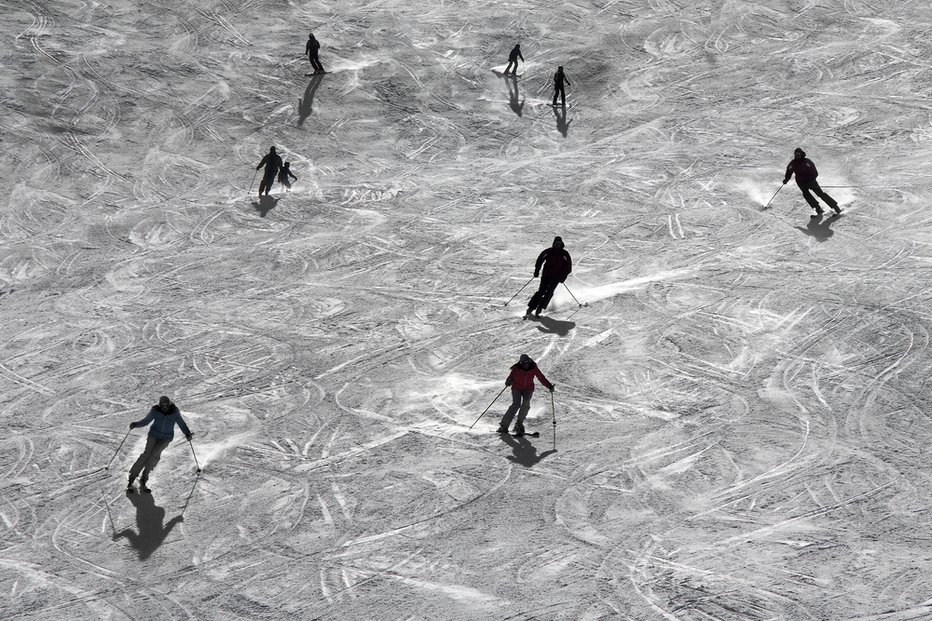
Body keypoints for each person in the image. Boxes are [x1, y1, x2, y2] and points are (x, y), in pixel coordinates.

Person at [127, 396, 193, 493]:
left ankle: (144, 478)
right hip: (154, 434)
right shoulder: (155, 411)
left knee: (155, 456)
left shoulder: (174, 412)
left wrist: (187, 433)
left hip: (166, 437)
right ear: (160, 405)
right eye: (162, 406)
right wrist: (135, 424)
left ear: (169, 405)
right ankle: (132, 477)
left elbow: (181, 424)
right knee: (147, 454)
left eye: (166, 406)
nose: (164, 408)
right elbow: (146, 421)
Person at [497, 354, 554, 437]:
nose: (526, 366)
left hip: (528, 389)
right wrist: (509, 382)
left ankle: (519, 425)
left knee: (526, 405)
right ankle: (504, 426)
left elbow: (541, 378)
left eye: (527, 363)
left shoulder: (533, 368)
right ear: (521, 363)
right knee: (516, 405)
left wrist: (549, 386)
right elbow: (510, 378)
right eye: (524, 364)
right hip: (517, 388)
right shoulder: (516, 369)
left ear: (529, 362)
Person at [783, 148, 841, 217]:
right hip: (801, 182)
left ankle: (836, 207)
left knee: (820, 194)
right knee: (806, 194)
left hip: (810, 181)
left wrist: (811, 179)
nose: (797, 156)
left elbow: (814, 172)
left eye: (798, 154)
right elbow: (789, 171)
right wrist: (786, 179)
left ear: (801, 154)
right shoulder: (793, 163)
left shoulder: (807, 162)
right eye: (796, 154)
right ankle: (818, 208)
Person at [527, 236, 572, 318]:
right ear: (554, 243)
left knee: (549, 292)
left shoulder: (564, 254)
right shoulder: (548, 251)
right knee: (541, 291)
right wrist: (537, 271)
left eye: (559, 243)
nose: (558, 245)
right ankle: (531, 307)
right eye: (556, 243)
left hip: (556, 277)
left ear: (561, 244)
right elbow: (540, 260)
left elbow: (568, 267)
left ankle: (540, 308)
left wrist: (563, 277)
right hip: (546, 275)